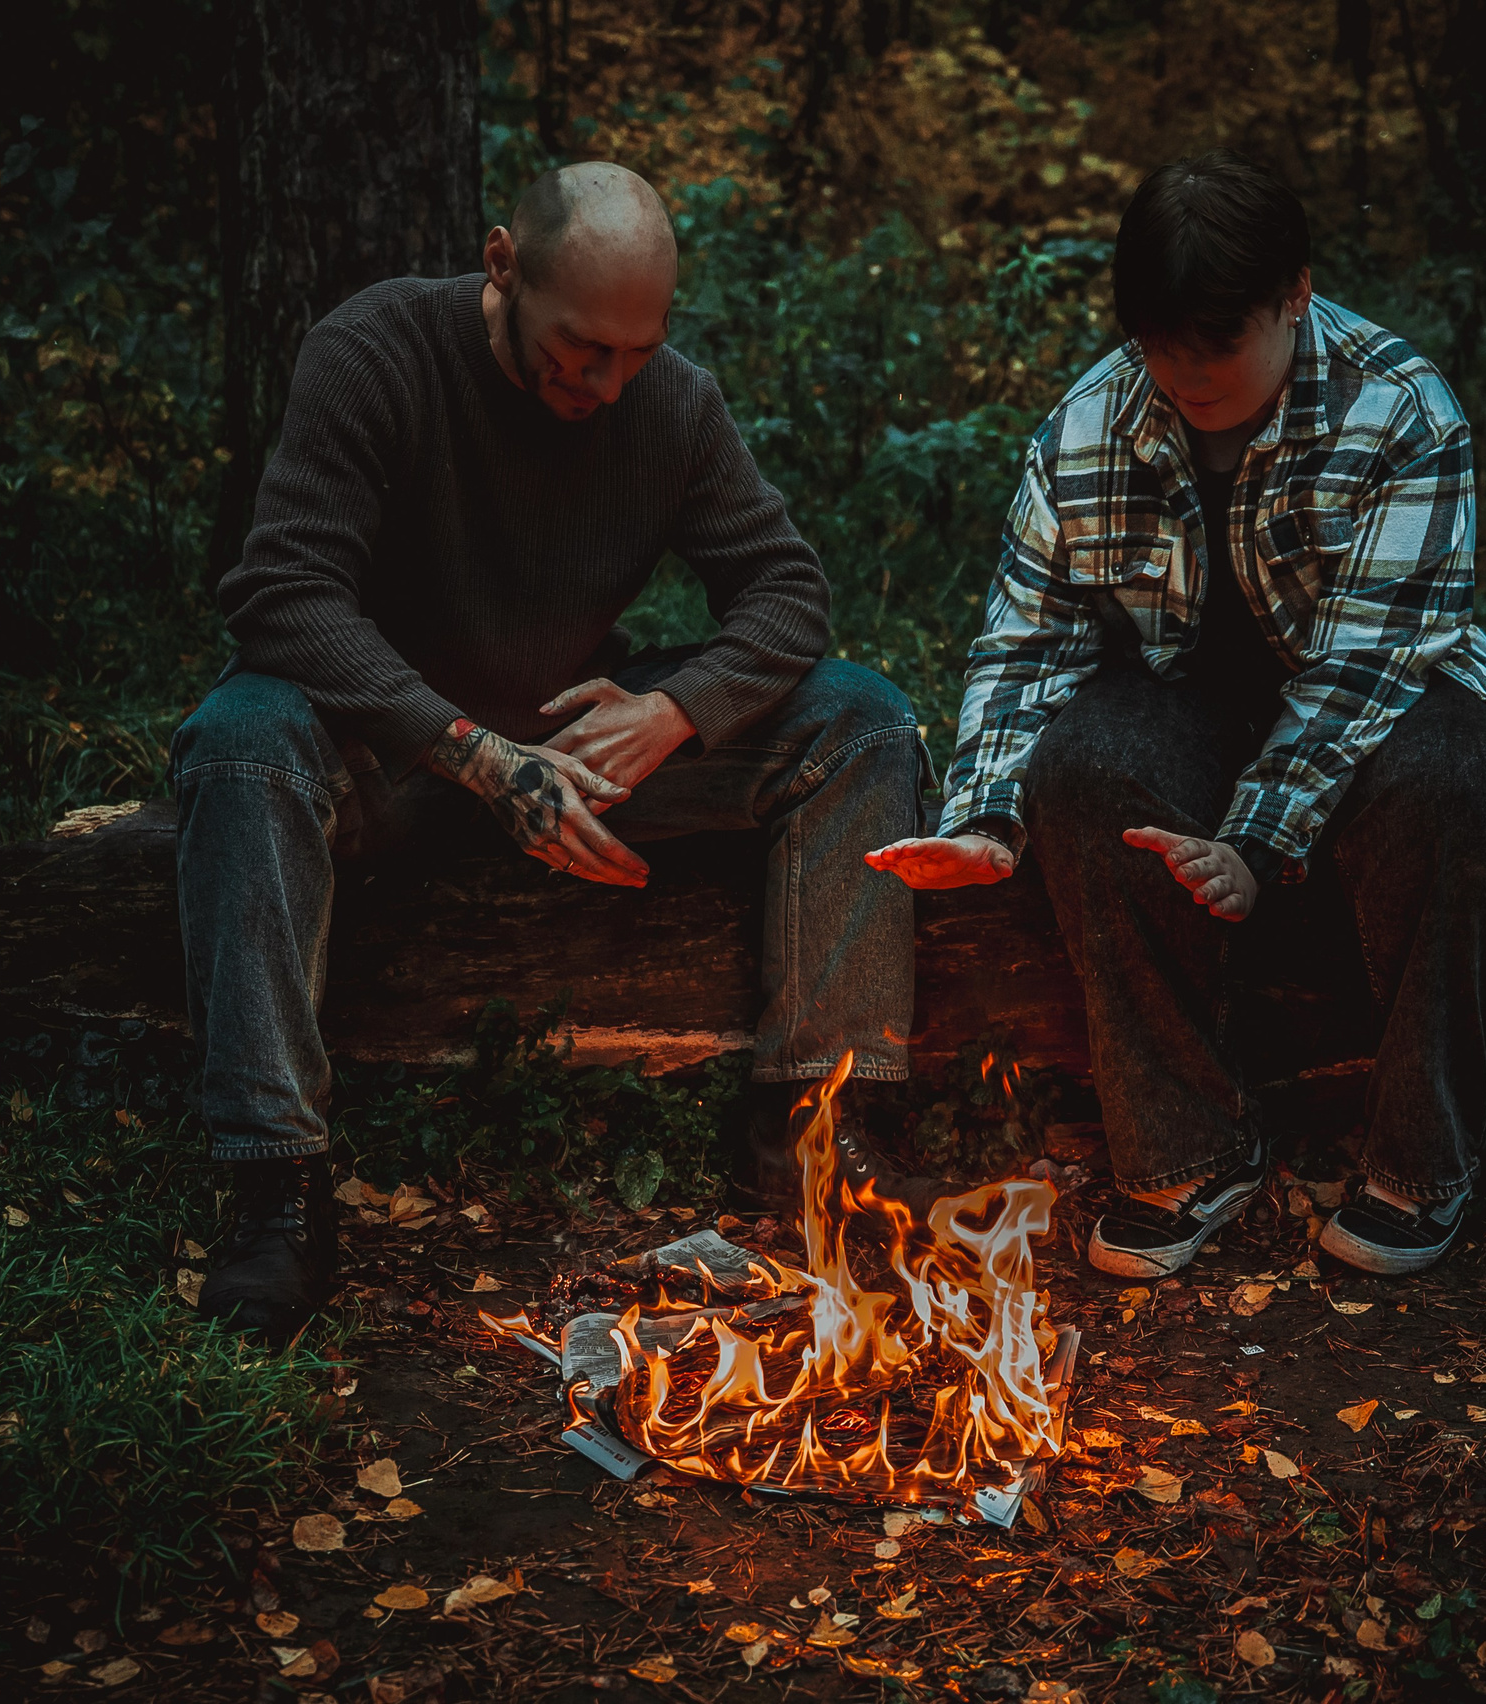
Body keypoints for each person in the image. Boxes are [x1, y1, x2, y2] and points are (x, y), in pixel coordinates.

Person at [179, 163, 931, 1338]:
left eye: (636, 350)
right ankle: (277, 1182)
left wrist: (678, 706)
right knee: (239, 739)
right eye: (580, 347)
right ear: (501, 267)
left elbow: (786, 591)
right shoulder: (373, 353)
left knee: (864, 718)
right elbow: (280, 592)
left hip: (575, 752)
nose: (605, 381)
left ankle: (817, 1134)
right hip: (386, 754)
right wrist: (471, 753)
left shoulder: (670, 405)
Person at [870, 150, 1486, 1281]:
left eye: (1219, 350)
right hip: (1186, 708)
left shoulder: (1402, 412)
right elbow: (1026, 645)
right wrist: (987, 816)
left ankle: (1420, 1164)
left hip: (1382, 706)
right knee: (1082, 764)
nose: (1188, 379)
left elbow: (1363, 672)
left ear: (1294, 293)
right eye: (1159, 350)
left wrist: (1258, 841)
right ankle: (1186, 1154)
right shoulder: (1083, 430)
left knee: (1460, 783)